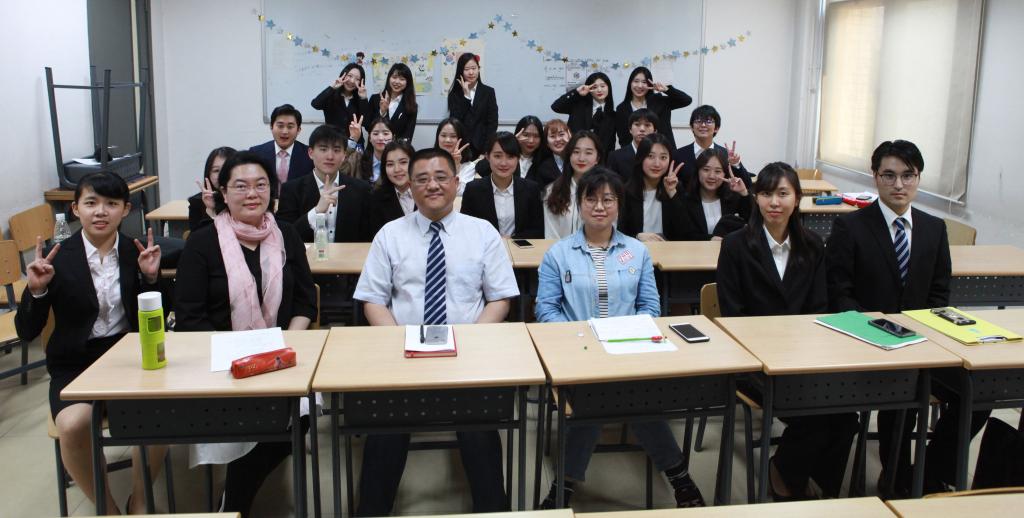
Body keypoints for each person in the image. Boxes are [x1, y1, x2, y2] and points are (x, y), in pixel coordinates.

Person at [353, 147, 519, 516]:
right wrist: (400, 345)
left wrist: (470, 344)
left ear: (457, 183)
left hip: (468, 357)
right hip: (403, 356)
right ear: (410, 186)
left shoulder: (482, 233)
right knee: (384, 434)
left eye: (441, 177)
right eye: (423, 179)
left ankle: (493, 510)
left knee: (481, 434)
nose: (432, 185)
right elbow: (373, 301)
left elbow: (500, 299)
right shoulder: (390, 235)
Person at [535, 168, 705, 509]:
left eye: (608, 200)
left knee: (610, 393)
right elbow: (546, 309)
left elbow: (650, 306)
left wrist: (627, 335)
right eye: (591, 199)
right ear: (579, 204)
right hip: (579, 352)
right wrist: (582, 337)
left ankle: (564, 485)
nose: (599, 207)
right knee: (612, 392)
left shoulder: (637, 251)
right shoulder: (559, 253)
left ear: (619, 205)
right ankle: (679, 476)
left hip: (629, 351)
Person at [825, 140, 985, 497]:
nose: (899, 184)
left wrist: (923, 334)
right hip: (869, 344)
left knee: (979, 392)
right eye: (889, 175)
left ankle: (930, 470)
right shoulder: (850, 227)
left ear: (918, 178)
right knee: (904, 393)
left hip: (923, 343)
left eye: (908, 175)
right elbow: (839, 293)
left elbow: (940, 292)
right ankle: (896, 477)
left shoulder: (933, 228)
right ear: (875, 177)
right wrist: (876, 331)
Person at [174, 151, 317, 517]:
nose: (252, 194)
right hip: (221, 361)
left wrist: (285, 343)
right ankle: (235, 502)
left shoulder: (286, 234)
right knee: (246, 413)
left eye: (260, 185)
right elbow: (190, 317)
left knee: (298, 416)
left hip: (280, 356)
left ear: (272, 190)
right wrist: (238, 353)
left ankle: (233, 501)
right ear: (223, 192)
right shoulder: (202, 242)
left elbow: (305, 302)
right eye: (240, 186)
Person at [15, 171, 165, 515]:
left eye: (111, 203)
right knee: (72, 425)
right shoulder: (56, 258)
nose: (100, 211)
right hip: (75, 363)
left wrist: (150, 279)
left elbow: (159, 321)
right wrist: (37, 291)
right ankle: (107, 509)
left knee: (160, 412)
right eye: (91, 203)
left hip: (130, 359)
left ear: (125, 209)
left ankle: (140, 501)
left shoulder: (136, 251)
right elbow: (26, 330)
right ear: (75, 209)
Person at [717, 162, 859, 501]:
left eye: (783, 193)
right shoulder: (736, 245)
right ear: (755, 198)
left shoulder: (812, 245)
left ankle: (810, 482)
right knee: (815, 417)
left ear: (797, 198)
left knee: (845, 417)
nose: (774, 202)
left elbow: (819, 308)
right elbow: (733, 315)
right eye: (766, 194)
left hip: (803, 359)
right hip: (754, 363)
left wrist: (804, 355)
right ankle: (787, 481)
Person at [276, 124, 373, 243]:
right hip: (307, 255)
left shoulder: (361, 190)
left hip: (349, 255)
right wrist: (316, 211)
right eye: (323, 149)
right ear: (311, 153)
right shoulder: (291, 189)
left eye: (336, 150)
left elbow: (368, 238)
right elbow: (284, 237)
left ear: (344, 155)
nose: (330, 156)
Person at [461, 132, 544, 239]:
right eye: (497, 156)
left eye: (510, 157)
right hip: (485, 247)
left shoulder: (531, 189)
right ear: (487, 157)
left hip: (518, 247)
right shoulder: (473, 189)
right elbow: (466, 229)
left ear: (518, 158)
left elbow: (537, 231)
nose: (504, 163)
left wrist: (512, 240)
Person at [617, 134, 690, 241]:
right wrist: (637, 237)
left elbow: (685, 233)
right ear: (641, 158)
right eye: (650, 156)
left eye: (663, 157)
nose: (657, 164)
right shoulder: (625, 191)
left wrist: (672, 193)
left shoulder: (676, 188)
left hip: (669, 249)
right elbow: (618, 233)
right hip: (637, 248)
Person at [672, 105, 751, 189]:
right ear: (692, 127)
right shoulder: (679, 154)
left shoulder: (726, 155)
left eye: (708, 121)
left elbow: (747, 184)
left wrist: (735, 164)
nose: (703, 125)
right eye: (698, 121)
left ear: (716, 128)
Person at [681, 148, 751, 241]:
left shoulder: (733, 198)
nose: (711, 176)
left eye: (718, 171)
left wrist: (743, 192)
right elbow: (684, 235)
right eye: (706, 170)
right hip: (695, 250)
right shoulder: (685, 201)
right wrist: (710, 239)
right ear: (697, 171)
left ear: (724, 174)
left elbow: (753, 223)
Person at [614, 66, 692, 149]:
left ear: (649, 84)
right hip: (636, 154)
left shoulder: (659, 101)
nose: (640, 86)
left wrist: (667, 90)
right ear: (630, 83)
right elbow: (623, 138)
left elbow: (686, 100)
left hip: (663, 151)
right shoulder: (622, 108)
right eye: (636, 81)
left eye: (644, 82)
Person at [543, 131, 603, 239]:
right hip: (559, 249)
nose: (581, 158)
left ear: (597, 158)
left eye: (588, 153)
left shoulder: (606, 192)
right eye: (576, 152)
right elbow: (551, 234)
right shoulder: (552, 191)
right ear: (569, 155)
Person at [447, 53, 498, 161]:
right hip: (460, 148)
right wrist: (466, 96)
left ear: (478, 69)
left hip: (482, 148)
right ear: (461, 71)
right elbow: (455, 121)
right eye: (466, 69)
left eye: (474, 68)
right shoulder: (454, 94)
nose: (471, 72)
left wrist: (485, 151)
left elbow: (492, 123)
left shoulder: (488, 92)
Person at [249, 104, 315, 186]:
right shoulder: (256, 153)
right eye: (280, 126)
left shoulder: (310, 155)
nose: (285, 131)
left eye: (290, 127)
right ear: (271, 127)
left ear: (298, 130)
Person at [551, 72, 616, 155]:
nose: (599, 90)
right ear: (589, 89)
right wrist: (577, 91)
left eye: (603, 86)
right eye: (594, 87)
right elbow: (556, 107)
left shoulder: (613, 115)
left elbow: (610, 145)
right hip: (575, 155)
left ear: (609, 88)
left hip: (600, 159)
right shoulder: (578, 106)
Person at [475, 115, 548, 185]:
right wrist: (511, 142)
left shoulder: (545, 160)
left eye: (536, 136)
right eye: (526, 135)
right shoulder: (508, 155)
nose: (531, 141)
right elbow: (482, 169)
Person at [369, 140, 416, 238]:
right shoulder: (375, 199)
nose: (397, 169)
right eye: (390, 164)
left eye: (403, 162)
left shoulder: (428, 193)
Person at [365, 62, 418, 141]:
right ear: (389, 78)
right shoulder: (375, 99)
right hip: (376, 145)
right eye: (394, 77)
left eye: (402, 79)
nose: (397, 82)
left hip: (397, 147)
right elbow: (367, 126)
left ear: (407, 82)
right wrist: (382, 112)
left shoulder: (411, 105)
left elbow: (408, 135)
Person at [311, 62, 369, 132]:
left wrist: (363, 99)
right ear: (343, 75)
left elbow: (366, 123)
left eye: (357, 79)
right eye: (350, 76)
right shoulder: (331, 95)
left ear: (361, 82)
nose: (352, 81)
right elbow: (315, 104)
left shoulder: (360, 100)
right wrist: (332, 88)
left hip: (355, 138)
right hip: (333, 138)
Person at [189, 146, 236, 232]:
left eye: (227, 169)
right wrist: (211, 211)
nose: (222, 174)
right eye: (216, 170)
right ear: (209, 174)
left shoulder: (247, 198)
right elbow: (197, 238)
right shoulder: (197, 202)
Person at [606, 109, 659, 179]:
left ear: (655, 131)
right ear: (630, 129)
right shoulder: (615, 157)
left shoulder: (661, 157)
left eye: (647, 125)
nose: (642, 129)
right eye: (637, 124)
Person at [433, 117, 476, 195]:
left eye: (453, 136)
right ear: (438, 137)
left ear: (461, 139)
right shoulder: (429, 162)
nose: (447, 140)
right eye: (443, 135)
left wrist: (456, 167)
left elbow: (460, 193)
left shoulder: (469, 166)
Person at [354, 118, 395, 185]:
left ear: (393, 138)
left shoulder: (398, 163)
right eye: (375, 134)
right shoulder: (359, 159)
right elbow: (341, 169)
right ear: (370, 138)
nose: (380, 138)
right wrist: (353, 139)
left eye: (385, 134)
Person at [533, 119, 572, 188]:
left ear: (569, 136)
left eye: (561, 134)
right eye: (552, 136)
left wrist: (573, 143)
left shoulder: (579, 160)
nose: (558, 139)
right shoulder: (543, 168)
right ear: (547, 143)